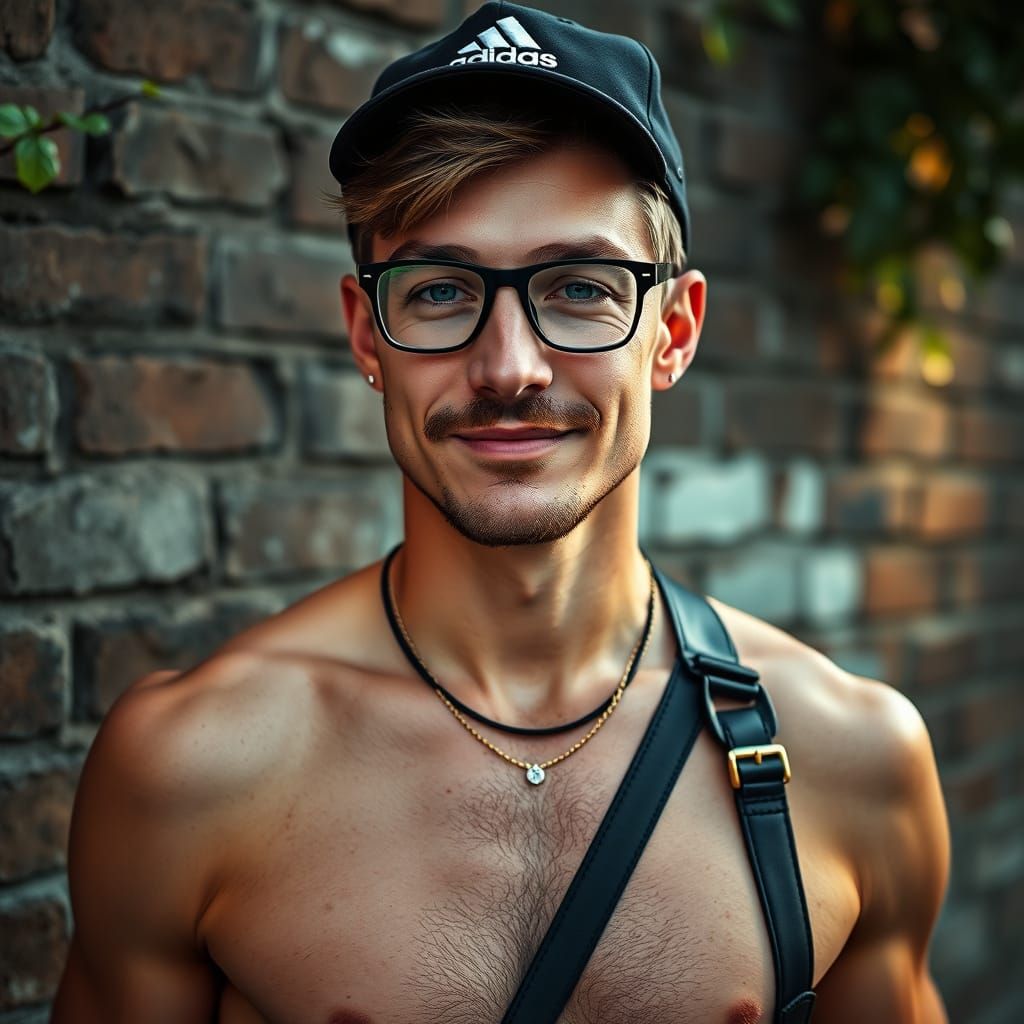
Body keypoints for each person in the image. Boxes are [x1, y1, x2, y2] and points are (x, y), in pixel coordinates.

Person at [52, 3, 950, 1022]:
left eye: (578, 286)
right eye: (439, 290)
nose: (510, 367)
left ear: (673, 331)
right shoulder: (193, 766)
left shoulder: (850, 758)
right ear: (365, 335)